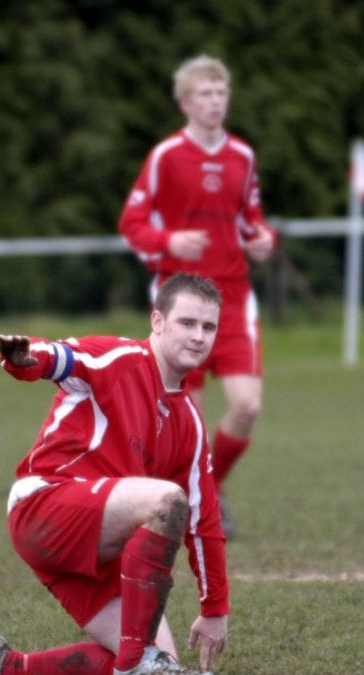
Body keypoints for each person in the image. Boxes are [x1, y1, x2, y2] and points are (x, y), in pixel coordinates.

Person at [0, 273, 229, 675]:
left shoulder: (191, 425)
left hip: (97, 546)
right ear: (157, 321)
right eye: (187, 323)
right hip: (45, 506)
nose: (198, 336)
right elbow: (58, 357)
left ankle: (4, 666)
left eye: (208, 327)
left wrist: (215, 608)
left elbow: (204, 521)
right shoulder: (118, 357)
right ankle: (136, 661)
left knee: (163, 665)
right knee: (166, 500)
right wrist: (22, 358)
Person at [118, 54, 277, 539]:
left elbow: (251, 219)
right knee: (190, 423)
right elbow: (133, 224)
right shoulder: (167, 156)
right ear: (185, 102)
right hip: (181, 300)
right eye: (205, 94)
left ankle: (213, 487)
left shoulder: (242, 157)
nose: (214, 102)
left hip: (231, 296)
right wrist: (169, 243)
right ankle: (185, 504)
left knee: (248, 405)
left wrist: (262, 240)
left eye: (221, 93)